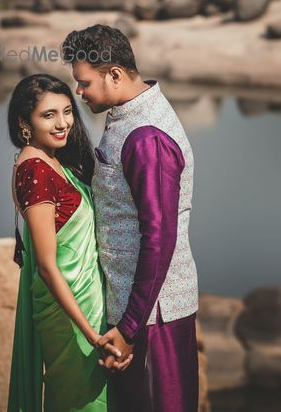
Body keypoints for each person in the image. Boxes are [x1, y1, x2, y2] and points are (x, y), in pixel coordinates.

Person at [62, 24, 199, 412]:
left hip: (154, 315)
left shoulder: (147, 137)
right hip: (140, 310)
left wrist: (128, 328)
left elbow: (159, 239)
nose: (80, 92)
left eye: (85, 83)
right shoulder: (129, 114)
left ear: (115, 75)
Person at [6, 74, 129, 412]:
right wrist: (91, 334)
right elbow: (46, 266)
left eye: (67, 111)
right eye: (48, 115)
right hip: (70, 316)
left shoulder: (53, 161)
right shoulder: (35, 170)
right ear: (24, 122)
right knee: (80, 402)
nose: (62, 124)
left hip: (87, 304)